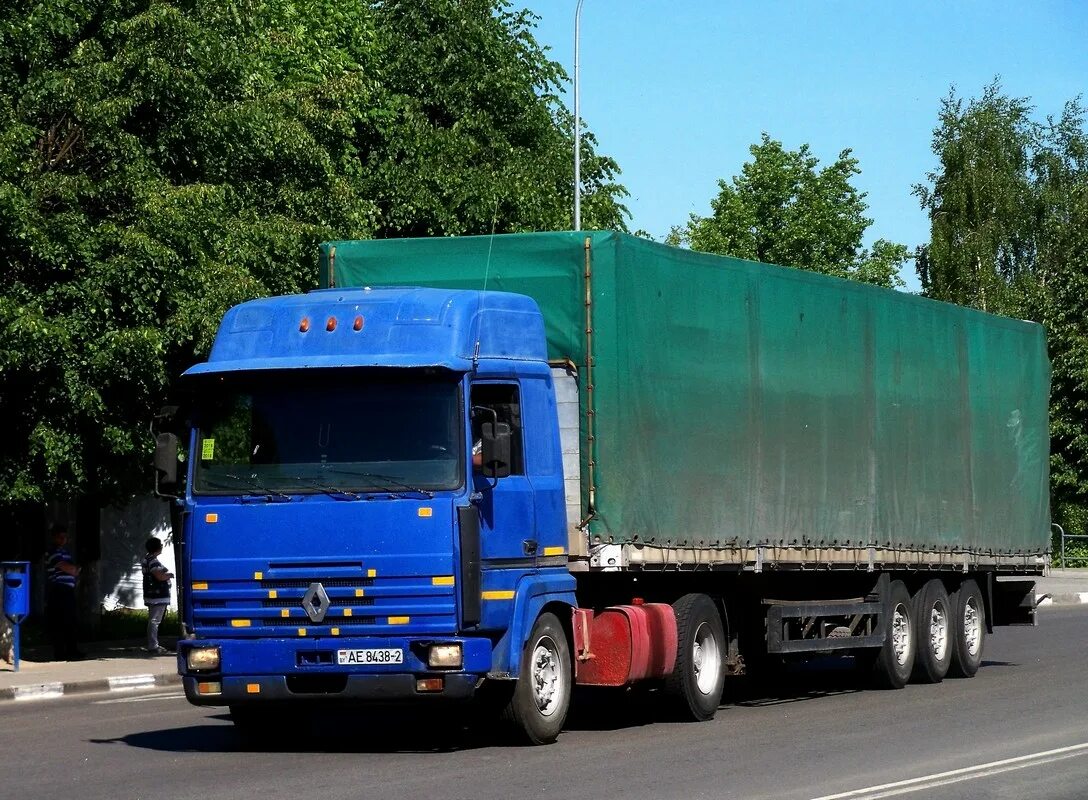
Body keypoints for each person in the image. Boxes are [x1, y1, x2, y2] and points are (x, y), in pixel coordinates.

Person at [44, 522, 83, 661]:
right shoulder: (53, 552)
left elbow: (73, 569)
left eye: (65, 537)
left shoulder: (65, 552)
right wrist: (74, 569)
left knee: (71, 620)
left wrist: (74, 569)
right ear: (54, 537)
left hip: (67, 590)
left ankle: (72, 650)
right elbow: (70, 569)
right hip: (58, 589)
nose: (63, 540)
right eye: (60, 537)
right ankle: (60, 653)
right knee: (60, 621)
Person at [142, 537, 174, 655]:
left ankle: (153, 644)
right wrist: (169, 575)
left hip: (152, 594)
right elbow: (159, 576)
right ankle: (153, 646)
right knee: (155, 620)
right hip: (157, 595)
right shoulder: (153, 561)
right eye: (160, 544)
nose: (162, 546)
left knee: (153, 620)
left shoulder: (147, 559)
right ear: (156, 547)